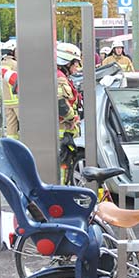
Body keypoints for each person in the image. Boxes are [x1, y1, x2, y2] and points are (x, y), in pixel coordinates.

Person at [57, 42, 83, 184]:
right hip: (63, 132)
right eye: (75, 64)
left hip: (64, 133)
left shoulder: (61, 76)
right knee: (62, 170)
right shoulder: (60, 78)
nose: (76, 68)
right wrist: (72, 117)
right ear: (66, 62)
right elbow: (61, 104)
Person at [0, 40, 19, 140]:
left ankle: (12, 144)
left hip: (6, 100)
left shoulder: (1, 64)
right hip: (17, 100)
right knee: (25, 123)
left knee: (11, 126)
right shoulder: (15, 64)